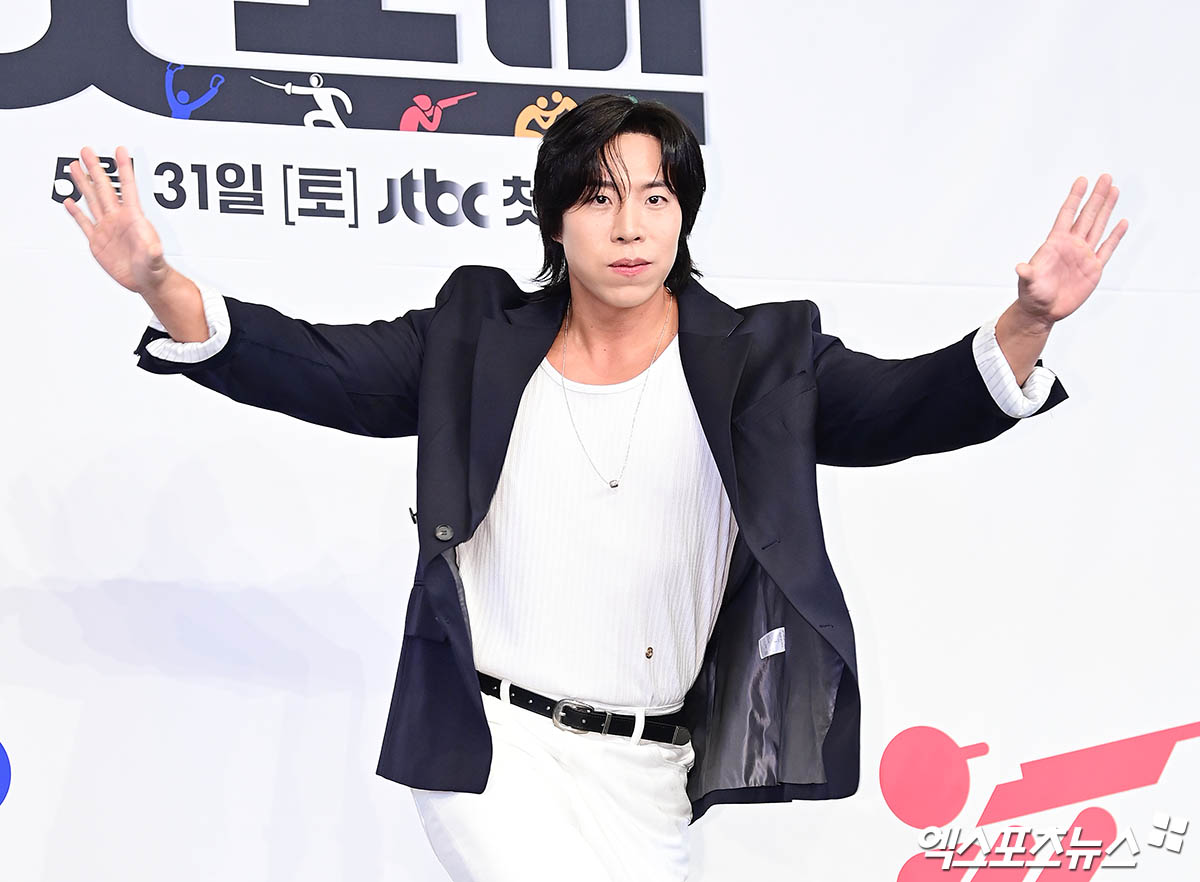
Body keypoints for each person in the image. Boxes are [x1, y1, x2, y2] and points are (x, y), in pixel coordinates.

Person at [64, 95, 1127, 881]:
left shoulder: (763, 360)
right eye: (599, 198)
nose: (629, 226)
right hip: (493, 749)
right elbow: (319, 367)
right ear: (555, 222)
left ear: (683, 216)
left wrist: (1027, 319)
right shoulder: (474, 341)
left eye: (656, 198)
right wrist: (163, 285)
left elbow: (906, 406)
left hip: (652, 770)